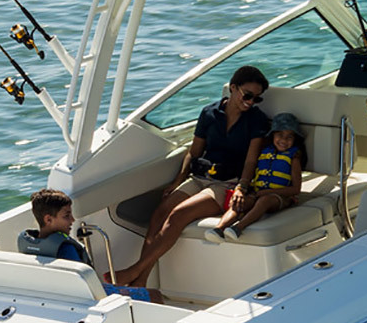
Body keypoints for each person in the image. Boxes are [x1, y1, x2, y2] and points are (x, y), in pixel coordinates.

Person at [115, 65, 269, 288]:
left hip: (228, 183)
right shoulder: (209, 113)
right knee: (159, 213)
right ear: (233, 88)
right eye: (247, 95)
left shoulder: (257, 120)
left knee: (179, 214)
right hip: (201, 177)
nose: (251, 102)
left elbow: (251, 161)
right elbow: (194, 152)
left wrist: (241, 187)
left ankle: (135, 272)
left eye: (257, 98)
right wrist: (178, 181)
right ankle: (141, 280)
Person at [18, 188, 151, 301]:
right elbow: (86, 288)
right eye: (66, 216)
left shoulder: (29, 244)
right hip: (90, 297)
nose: (72, 220)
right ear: (48, 219)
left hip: (55, 296)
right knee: (155, 295)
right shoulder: (66, 249)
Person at [210, 112, 304, 242]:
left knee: (264, 201)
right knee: (240, 203)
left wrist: (266, 192)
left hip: (281, 197)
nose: (284, 140)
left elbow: (296, 189)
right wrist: (243, 190)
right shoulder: (264, 152)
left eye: (289, 137)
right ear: (272, 135)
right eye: (280, 135)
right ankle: (219, 229)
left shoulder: (294, 157)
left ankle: (238, 228)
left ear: (295, 139)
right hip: (258, 193)